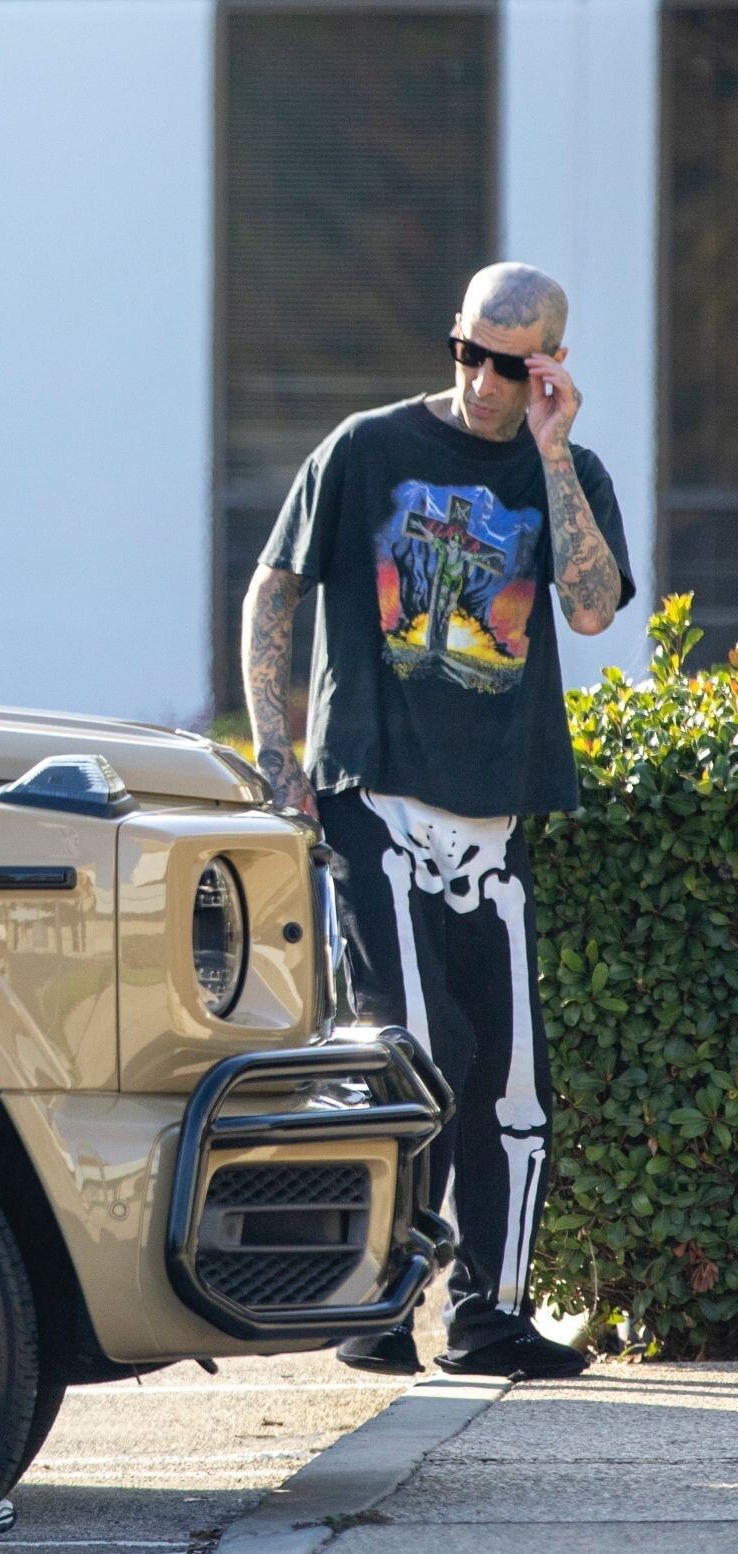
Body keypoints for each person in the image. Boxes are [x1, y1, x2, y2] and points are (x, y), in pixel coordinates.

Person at [242, 263, 634, 1380]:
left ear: (548, 366)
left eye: (509, 365)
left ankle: (489, 1316)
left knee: (513, 1079)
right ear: (452, 338)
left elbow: (591, 609)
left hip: (495, 816)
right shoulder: (365, 449)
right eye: (468, 353)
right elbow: (274, 587)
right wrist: (276, 757)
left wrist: (551, 452)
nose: (482, 382)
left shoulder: (566, 471)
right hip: (375, 796)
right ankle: (372, 1302)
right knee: (421, 1051)